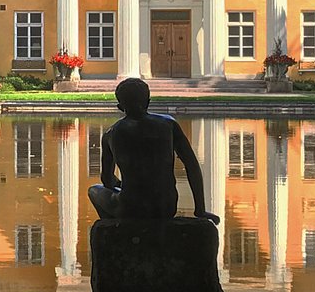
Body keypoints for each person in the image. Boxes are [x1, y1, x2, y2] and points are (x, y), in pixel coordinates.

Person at [87, 77, 221, 223]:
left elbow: (106, 180)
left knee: (94, 190)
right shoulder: (169, 124)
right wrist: (200, 209)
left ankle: (114, 228)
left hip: (130, 207)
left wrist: (121, 184)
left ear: (120, 107)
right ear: (148, 102)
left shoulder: (110, 134)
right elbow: (192, 165)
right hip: (166, 206)